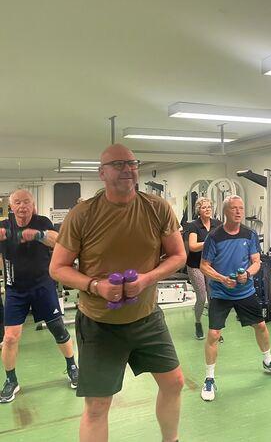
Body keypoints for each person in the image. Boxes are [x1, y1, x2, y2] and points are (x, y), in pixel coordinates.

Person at [49, 144, 186, 442]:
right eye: (118, 164)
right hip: (100, 324)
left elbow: (179, 255)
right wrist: (96, 286)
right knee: (98, 406)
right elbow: (57, 268)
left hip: (147, 318)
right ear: (102, 173)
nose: (128, 169)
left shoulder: (157, 208)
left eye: (132, 163)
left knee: (174, 382)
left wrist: (147, 279)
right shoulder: (83, 214)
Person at [199, 195, 271, 402]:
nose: (238, 211)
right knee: (213, 334)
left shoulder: (249, 234)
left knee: (261, 326)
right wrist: (222, 279)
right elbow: (204, 266)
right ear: (225, 211)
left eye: (241, 208)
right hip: (221, 292)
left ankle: (268, 361)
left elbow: (256, 261)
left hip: (245, 291)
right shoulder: (214, 236)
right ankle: (209, 378)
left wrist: (248, 274)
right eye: (234, 208)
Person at [0, 189, 78, 403]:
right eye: (17, 202)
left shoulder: (42, 222)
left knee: (58, 329)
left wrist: (38, 235)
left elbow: (58, 241)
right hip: (15, 289)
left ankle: (72, 367)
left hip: (42, 285)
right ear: (11, 206)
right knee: (10, 337)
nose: (22, 206)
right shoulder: (5, 225)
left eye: (26, 202)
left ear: (32, 204)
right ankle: (11, 380)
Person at [185, 197, 221, 340]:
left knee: (213, 297)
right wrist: (209, 242)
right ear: (198, 210)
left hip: (211, 265)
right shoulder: (193, 226)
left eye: (209, 207)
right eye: (204, 207)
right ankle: (198, 322)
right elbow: (193, 247)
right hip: (195, 266)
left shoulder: (217, 224)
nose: (207, 209)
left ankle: (214, 329)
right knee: (201, 297)